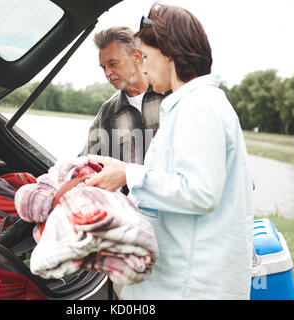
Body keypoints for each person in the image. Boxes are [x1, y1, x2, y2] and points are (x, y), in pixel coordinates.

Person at [85, 4, 254, 299]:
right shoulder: (191, 104)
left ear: (168, 53)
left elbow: (199, 191)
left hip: (191, 284)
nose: (145, 67)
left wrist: (128, 173)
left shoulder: (199, 108)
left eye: (147, 57)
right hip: (176, 276)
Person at [80, 26, 167, 167]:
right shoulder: (107, 113)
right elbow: (86, 164)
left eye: (112, 64)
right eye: (103, 68)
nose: (108, 73)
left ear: (137, 57)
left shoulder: (171, 95)